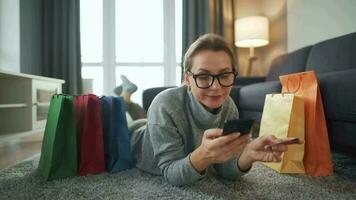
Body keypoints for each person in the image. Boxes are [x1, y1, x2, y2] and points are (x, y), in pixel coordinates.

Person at [124, 33, 288, 186]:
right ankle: (125, 98)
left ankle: (126, 98)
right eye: (203, 76)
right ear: (187, 78)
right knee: (127, 116)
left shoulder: (229, 106)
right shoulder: (164, 104)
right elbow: (171, 174)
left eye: (224, 75)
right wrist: (204, 154)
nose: (216, 87)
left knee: (142, 115)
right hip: (130, 137)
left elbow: (223, 168)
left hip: (155, 123)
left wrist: (248, 155)